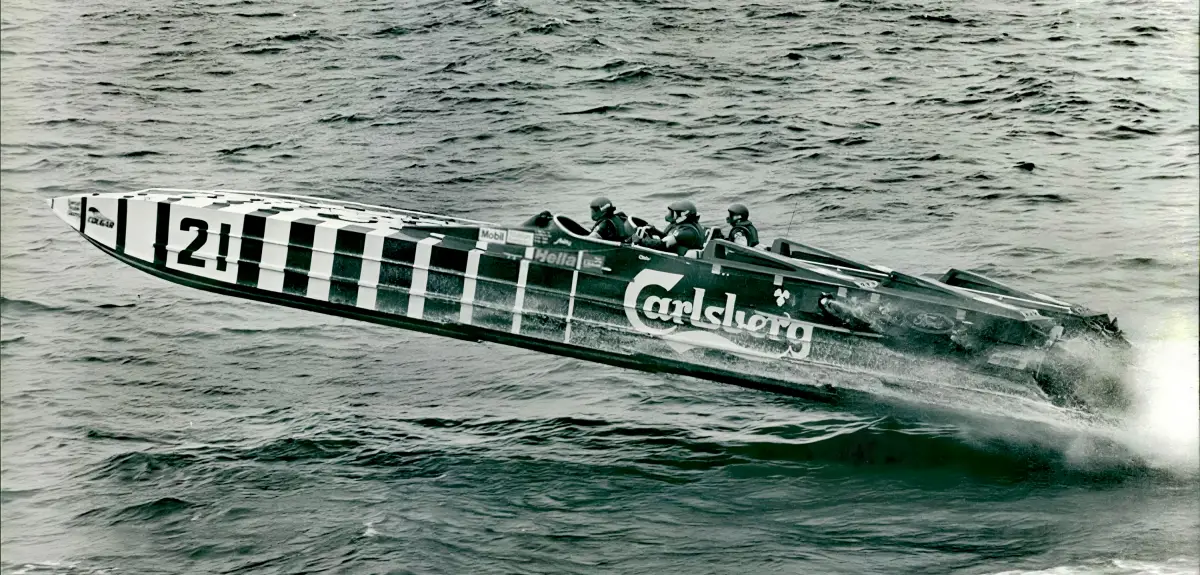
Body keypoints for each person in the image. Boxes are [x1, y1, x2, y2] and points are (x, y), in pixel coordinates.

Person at [633, 200, 706, 256]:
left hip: (678, 262)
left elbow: (664, 244)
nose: (671, 215)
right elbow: (669, 238)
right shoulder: (688, 226)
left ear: (683, 214)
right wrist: (655, 231)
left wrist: (641, 241)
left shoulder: (688, 232)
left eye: (673, 213)